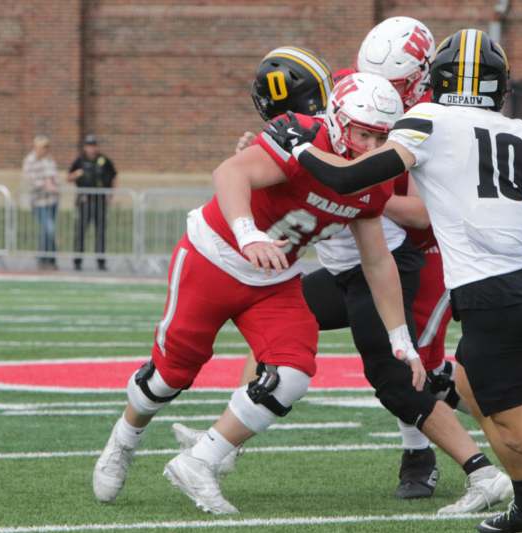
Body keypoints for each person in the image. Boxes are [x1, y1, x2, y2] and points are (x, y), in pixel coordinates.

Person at [265, 28, 522, 532]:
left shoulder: (427, 120)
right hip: (519, 286)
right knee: (468, 386)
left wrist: (298, 147)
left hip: (489, 295)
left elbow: (350, 178)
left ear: (439, 78)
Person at [175, 25, 515, 511]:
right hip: (345, 264)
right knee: (276, 328)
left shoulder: (427, 119)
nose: (385, 96)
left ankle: (481, 470)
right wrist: (278, 159)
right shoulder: (349, 93)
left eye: (398, 83)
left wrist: (353, 191)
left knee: (400, 376)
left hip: (389, 261)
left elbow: (403, 216)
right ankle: (223, 445)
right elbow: (301, 151)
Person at [92, 71, 428, 515]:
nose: (371, 147)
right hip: (214, 256)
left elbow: (377, 260)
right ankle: (124, 438)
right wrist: (247, 232)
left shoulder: (374, 181)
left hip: (273, 278)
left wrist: (400, 338)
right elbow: (231, 172)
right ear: (337, 121)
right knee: (170, 375)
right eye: (363, 134)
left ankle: (199, 461)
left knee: (292, 373)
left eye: (381, 137)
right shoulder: (303, 135)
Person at [68, 134, 118, 271]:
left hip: (100, 202)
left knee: (100, 232)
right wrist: (76, 174)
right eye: (89, 145)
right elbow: (69, 177)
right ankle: (77, 261)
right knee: (80, 232)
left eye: (94, 145)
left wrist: (111, 195)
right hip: (84, 202)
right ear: (85, 147)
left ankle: (101, 261)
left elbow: (114, 176)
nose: (92, 148)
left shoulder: (104, 160)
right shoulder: (80, 160)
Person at [22, 135, 59, 270]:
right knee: (49, 228)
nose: (45, 150)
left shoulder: (49, 160)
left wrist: (55, 186)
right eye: (42, 147)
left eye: (46, 147)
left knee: (47, 231)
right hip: (38, 201)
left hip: (51, 200)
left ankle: (49, 259)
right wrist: (44, 185)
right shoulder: (29, 161)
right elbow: (30, 180)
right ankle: (43, 258)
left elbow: (54, 178)